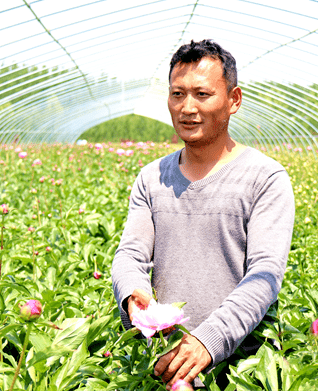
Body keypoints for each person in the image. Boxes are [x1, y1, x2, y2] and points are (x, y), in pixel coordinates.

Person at [111, 39, 295, 389]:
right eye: (177, 94)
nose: (187, 107)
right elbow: (130, 253)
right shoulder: (152, 178)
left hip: (240, 369)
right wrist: (132, 295)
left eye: (202, 94)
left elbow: (265, 275)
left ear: (233, 100)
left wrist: (207, 341)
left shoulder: (265, 178)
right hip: (160, 362)